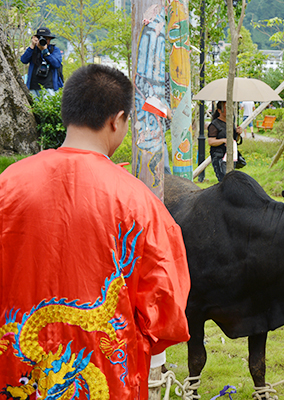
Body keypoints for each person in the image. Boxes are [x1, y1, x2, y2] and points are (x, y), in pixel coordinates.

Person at [0, 64, 190, 398]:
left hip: (15, 373)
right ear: (117, 119)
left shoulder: (8, 186)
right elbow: (165, 310)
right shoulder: (138, 203)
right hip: (107, 377)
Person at [20, 27, 63, 97]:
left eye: (46, 38)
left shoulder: (54, 50)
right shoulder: (33, 50)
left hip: (49, 87)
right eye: (40, 38)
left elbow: (57, 64)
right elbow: (23, 60)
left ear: (50, 39)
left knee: (49, 107)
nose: (43, 40)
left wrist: (45, 51)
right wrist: (32, 46)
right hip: (33, 87)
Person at [207, 101, 242, 182]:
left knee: (231, 180)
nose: (230, 109)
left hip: (231, 156)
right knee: (224, 180)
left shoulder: (231, 123)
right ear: (219, 110)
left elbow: (235, 140)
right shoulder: (214, 124)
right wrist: (223, 140)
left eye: (230, 107)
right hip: (219, 156)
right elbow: (211, 141)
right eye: (226, 108)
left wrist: (238, 133)